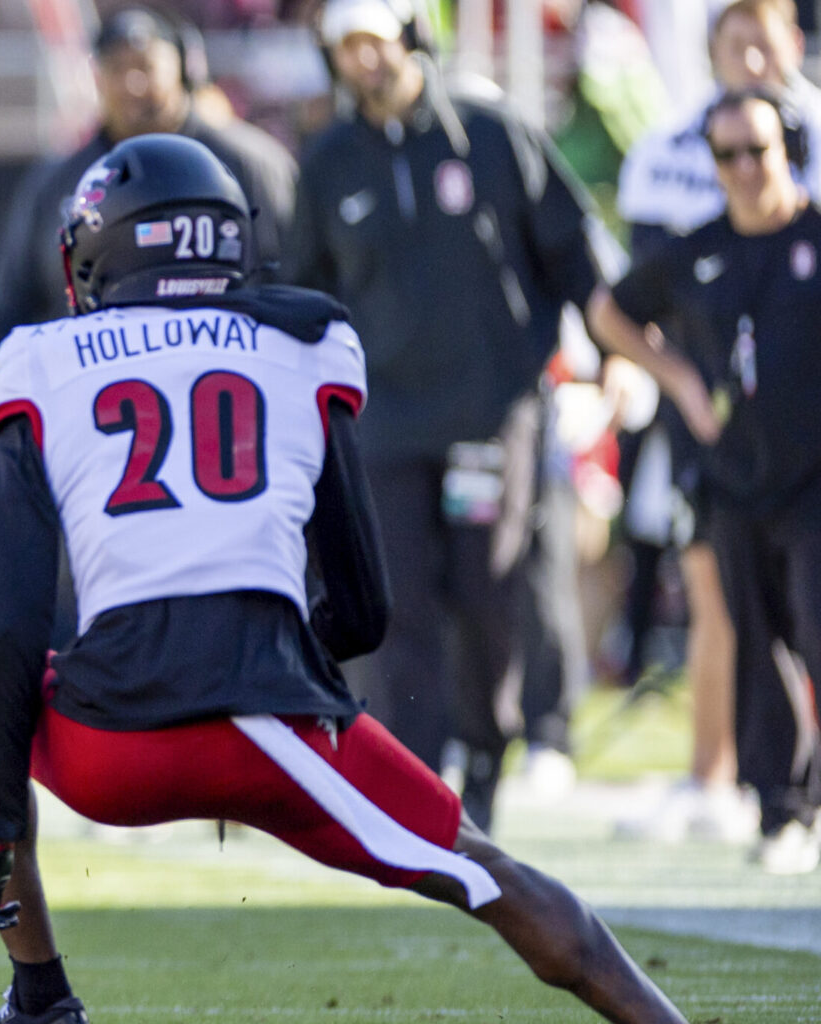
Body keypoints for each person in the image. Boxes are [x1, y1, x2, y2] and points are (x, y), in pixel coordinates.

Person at [0, 134, 687, 1024]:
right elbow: (363, 604)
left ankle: (40, 997)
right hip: (272, 734)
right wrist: (281, 667)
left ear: (99, 248)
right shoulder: (304, 338)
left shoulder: (40, 361)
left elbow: (9, 624)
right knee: (491, 875)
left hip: (111, 748)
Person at [285, 0, 613, 831]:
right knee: (398, 602)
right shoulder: (327, 163)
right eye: (345, 45)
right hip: (384, 424)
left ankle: (489, 753)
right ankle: (417, 778)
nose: (363, 60)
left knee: (490, 589)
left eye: (374, 40)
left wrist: (614, 364)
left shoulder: (494, 135)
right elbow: (307, 294)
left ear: (410, 37)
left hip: (488, 415)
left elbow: (574, 256)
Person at [585, 88, 821, 875]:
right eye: (729, 155)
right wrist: (679, 380)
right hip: (733, 478)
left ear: (788, 146)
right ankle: (782, 809)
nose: (746, 169)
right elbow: (609, 312)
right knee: (757, 645)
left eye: (759, 149)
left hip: (815, 477)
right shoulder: (698, 249)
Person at [0, 4, 298, 512]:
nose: (134, 84)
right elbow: (7, 303)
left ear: (184, 68)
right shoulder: (58, 183)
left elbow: (305, 283)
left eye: (146, 66)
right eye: (117, 69)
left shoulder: (247, 163)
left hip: (229, 421)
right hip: (103, 427)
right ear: (94, 77)